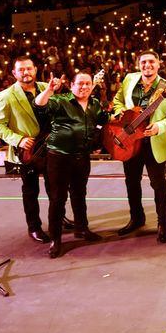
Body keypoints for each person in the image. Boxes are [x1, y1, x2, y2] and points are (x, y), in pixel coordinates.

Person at [33, 72, 111, 258]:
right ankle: (56, 239)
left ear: (92, 86)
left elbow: (103, 119)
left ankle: (81, 229)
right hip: (59, 157)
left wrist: (120, 115)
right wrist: (49, 90)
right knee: (58, 199)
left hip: (82, 157)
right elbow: (39, 105)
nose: (84, 87)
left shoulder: (94, 104)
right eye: (80, 83)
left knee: (79, 194)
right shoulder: (60, 100)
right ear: (72, 84)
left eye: (87, 83)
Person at [111, 50, 166, 244]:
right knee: (131, 182)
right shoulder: (129, 79)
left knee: (158, 184)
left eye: (152, 61)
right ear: (138, 64)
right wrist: (121, 113)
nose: (147, 65)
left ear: (159, 64)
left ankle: (162, 224)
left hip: (153, 142)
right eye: (143, 62)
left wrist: (160, 126)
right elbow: (117, 101)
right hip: (130, 141)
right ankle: (137, 218)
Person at [0, 56, 51, 244]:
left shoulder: (46, 88)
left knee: (55, 189)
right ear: (14, 73)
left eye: (29, 68)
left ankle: (59, 219)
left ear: (35, 69)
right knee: (31, 192)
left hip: (50, 148)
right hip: (27, 153)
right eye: (21, 69)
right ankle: (34, 227)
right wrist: (19, 139)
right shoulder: (6, 96)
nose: (26, 72)